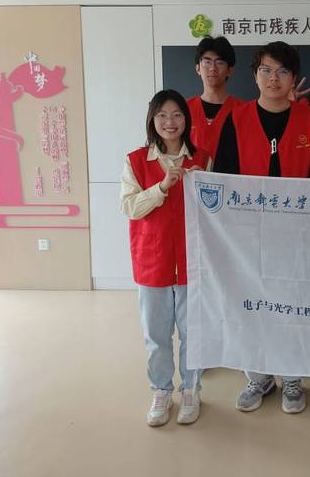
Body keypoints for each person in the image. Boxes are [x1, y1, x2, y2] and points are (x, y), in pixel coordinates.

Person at [214, 41, 310, 414]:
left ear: (294, 78)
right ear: (255, 75)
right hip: (248, 236)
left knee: (294, 305)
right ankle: (258, 376)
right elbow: (223, 179)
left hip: (296, 234)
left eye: (282, 71)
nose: (273, 78)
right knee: (252, 304)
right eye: (265, 70)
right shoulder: (236, 119)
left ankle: (292, 378)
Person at [120, 89, 210, 427]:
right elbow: (129, 207)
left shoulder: (203, 158)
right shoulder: (135, 160)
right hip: (152, 260)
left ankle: (191, 390)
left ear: (186, 119)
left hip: (192, 262)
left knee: (193, 333)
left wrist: (204, 184)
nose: (169, 122)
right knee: (156, 335)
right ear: (152, 120)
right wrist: (161, 188)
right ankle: (160, 390)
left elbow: (214, 213)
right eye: (162, 115)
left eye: (176, 115)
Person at [186, 36, 244, 161]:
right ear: (198, 68)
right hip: (192, 173)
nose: (213, 68)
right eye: (207, 61)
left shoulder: (244, 110)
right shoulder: (184, 109)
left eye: (219, 62)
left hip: (232, 173)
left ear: (230, 70)